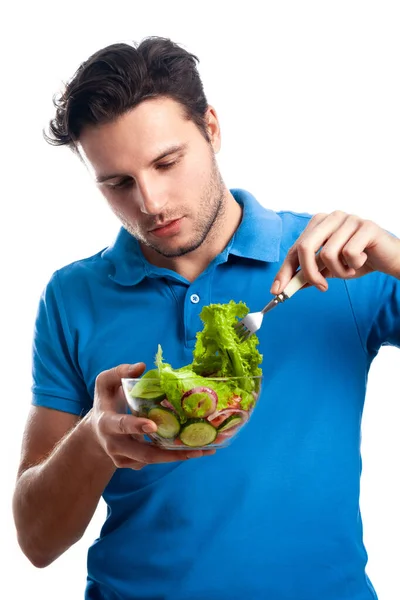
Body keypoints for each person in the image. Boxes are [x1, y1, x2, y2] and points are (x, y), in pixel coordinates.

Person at [12, 36, 400, 600]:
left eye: (167, 162)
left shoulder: (336, 262)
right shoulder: (72, 297)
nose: (150, 202)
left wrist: (396, 258)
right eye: (117, 183)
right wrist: (93, 442)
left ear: (211, 129)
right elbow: (36, 541)